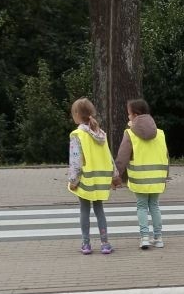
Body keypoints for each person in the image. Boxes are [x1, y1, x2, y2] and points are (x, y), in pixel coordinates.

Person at [115, 98, 169, 249]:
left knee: (142, 206)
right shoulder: (160, 133)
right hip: (157, 178)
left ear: (136, 115)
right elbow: (166, 156)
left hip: (139, 179)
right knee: (155, 206)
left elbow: (122, 157)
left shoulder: (130, 133)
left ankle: (144, 237)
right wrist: (165, 176)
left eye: (129, 114)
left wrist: (116, 176)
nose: (128, 117)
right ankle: (158, 238)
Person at [67, 98, 115, 255]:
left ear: (76, 114)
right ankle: (105, 243)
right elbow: (109, 156)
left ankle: (86, 244)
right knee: (99, 209)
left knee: (84, 211)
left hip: (85, 180)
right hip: (101, 180)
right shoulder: (101, 134)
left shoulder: (77, 134)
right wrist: (114, 175)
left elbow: (76, 161)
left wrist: (73, 181)